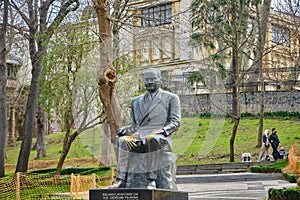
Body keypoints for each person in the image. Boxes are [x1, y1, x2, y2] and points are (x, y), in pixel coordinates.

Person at [110, 68, 181, 189]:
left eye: (152, 79)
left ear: (160, 80)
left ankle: (151, 180)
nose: (149, 82)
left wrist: (163, 131)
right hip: (139, 135)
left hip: (159, 136)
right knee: (123, 141)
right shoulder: (136, 101)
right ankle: (121, 180)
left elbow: (175, 122)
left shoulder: (171, 98)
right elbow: (134, 125)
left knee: (151, 139)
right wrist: (125, 130)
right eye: (146, 79)